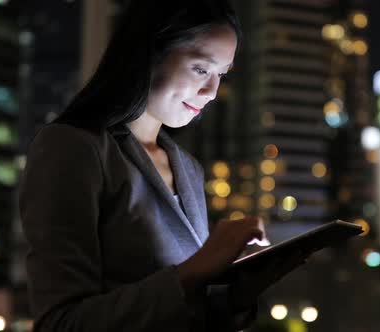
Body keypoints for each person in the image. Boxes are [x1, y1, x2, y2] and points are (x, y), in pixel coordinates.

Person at [19, 1, 306, 331]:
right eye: (201, 69)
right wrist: (198, 268)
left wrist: (238, 289)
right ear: (149, 52)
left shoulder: (189, 168)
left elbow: (189, 311)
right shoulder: (73, 148)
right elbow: (61, 323)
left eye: (221, 76)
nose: (211, 92)